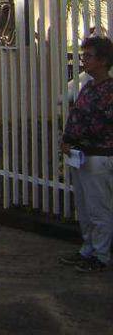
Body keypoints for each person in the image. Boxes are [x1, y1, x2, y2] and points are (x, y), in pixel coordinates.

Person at [60, 35, 113, 272]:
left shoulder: (108, 91)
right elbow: (76, 116)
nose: (84, 61)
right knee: (84, 207)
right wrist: (68, 139)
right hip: (81, 155)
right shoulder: (88, 87)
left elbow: (97, 123)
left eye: (89, 56)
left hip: (98, 156)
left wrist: (76, 137)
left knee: (99, 207)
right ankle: (88, 248)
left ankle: (101, 255)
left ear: (103, 60)